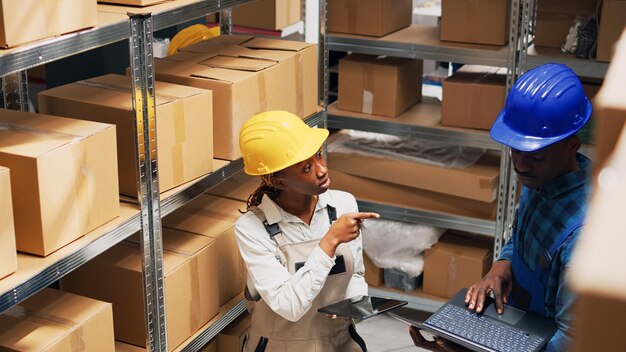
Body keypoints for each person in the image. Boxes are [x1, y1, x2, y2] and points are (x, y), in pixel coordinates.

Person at [410, 63, 593, 352]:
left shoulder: (584, 238)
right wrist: (500, 266)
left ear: (572, 145)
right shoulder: (540, 177)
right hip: (520, 324)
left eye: (536, 155)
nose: (520, 164)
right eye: (515, 148)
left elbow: (572, 342)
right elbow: (521, 235)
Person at [235, 110, 380, 352]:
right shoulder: (251, 228)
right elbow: (289, 306)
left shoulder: (343, 204)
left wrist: (355, 302)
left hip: (339, 342)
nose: (322, 170)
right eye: (306, 168)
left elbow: (355, 274)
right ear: (279, 181)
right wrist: (330, 241)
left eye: (319, 156)